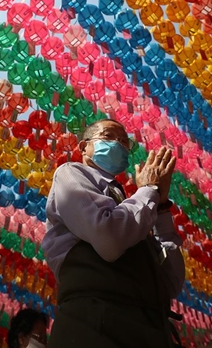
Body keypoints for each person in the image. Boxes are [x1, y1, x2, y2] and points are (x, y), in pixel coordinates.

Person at [42, 119, 185, 348]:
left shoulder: (133, 210)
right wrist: (148, 190)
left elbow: (172, 283)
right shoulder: (70, 173)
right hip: (95, 328)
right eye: (108, 137)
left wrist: (161, 207)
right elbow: (109, 240)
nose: (118, 144)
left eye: (124, 142)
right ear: (83, 147)